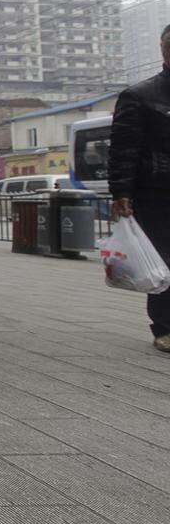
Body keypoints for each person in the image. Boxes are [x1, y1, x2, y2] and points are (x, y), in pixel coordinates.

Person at [108, 23, 170, 353]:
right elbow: (123, 149)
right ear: (163, 50)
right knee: (164, 261)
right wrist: (121, 193)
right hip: (158, 192)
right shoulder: (140, 96)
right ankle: (164, 328)